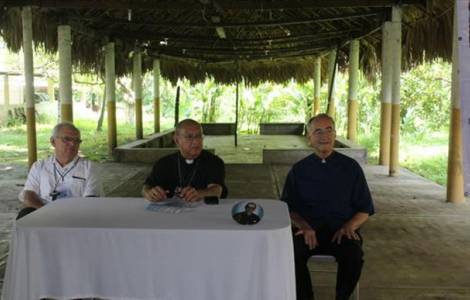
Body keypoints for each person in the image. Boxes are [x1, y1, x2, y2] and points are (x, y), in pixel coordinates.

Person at [281, 113, 375, 300]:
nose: (324, 135)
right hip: (309, 232)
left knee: (354, 255)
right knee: (289, 253)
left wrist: (349, 226)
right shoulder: (299, 170)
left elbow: (365, 208)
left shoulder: (351, 167)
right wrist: (304, 226)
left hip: (341, 231)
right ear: (309, 139)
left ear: (334, 135)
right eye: (318, 131)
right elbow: (288, 207)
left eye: (329, 130)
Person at [17, 122, 101, 219]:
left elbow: (91, 200)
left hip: (77, 216)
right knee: (25, 214)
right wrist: (48, 213)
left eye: (77, 140)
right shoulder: (39, 166)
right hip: (44, 213)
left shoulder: (89, 167)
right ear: (53, 142)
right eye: (67, 139)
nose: (72, 144)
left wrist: (66, 216)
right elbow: (29, 194)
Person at [143, 118, 227, 202]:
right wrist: (150, 193)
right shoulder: (164, 163)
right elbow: (146, 187)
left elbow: (217, 190)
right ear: (177, 140)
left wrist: (200, 193)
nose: (196, 142)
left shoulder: (214, 162)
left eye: (199, 136)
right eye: (189, 137)